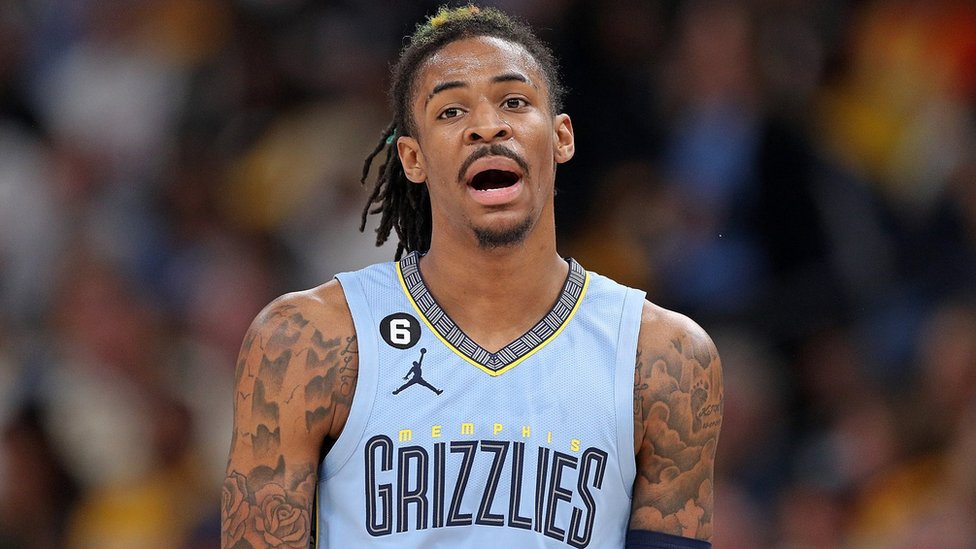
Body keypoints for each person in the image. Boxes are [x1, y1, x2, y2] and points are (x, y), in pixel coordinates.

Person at [221, 5, 723, 548]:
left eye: (514, 101)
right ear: (412, 158)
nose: (488, 126)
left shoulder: (666, 357)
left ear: (562, 138)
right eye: (451, 111)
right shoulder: (306, 341)